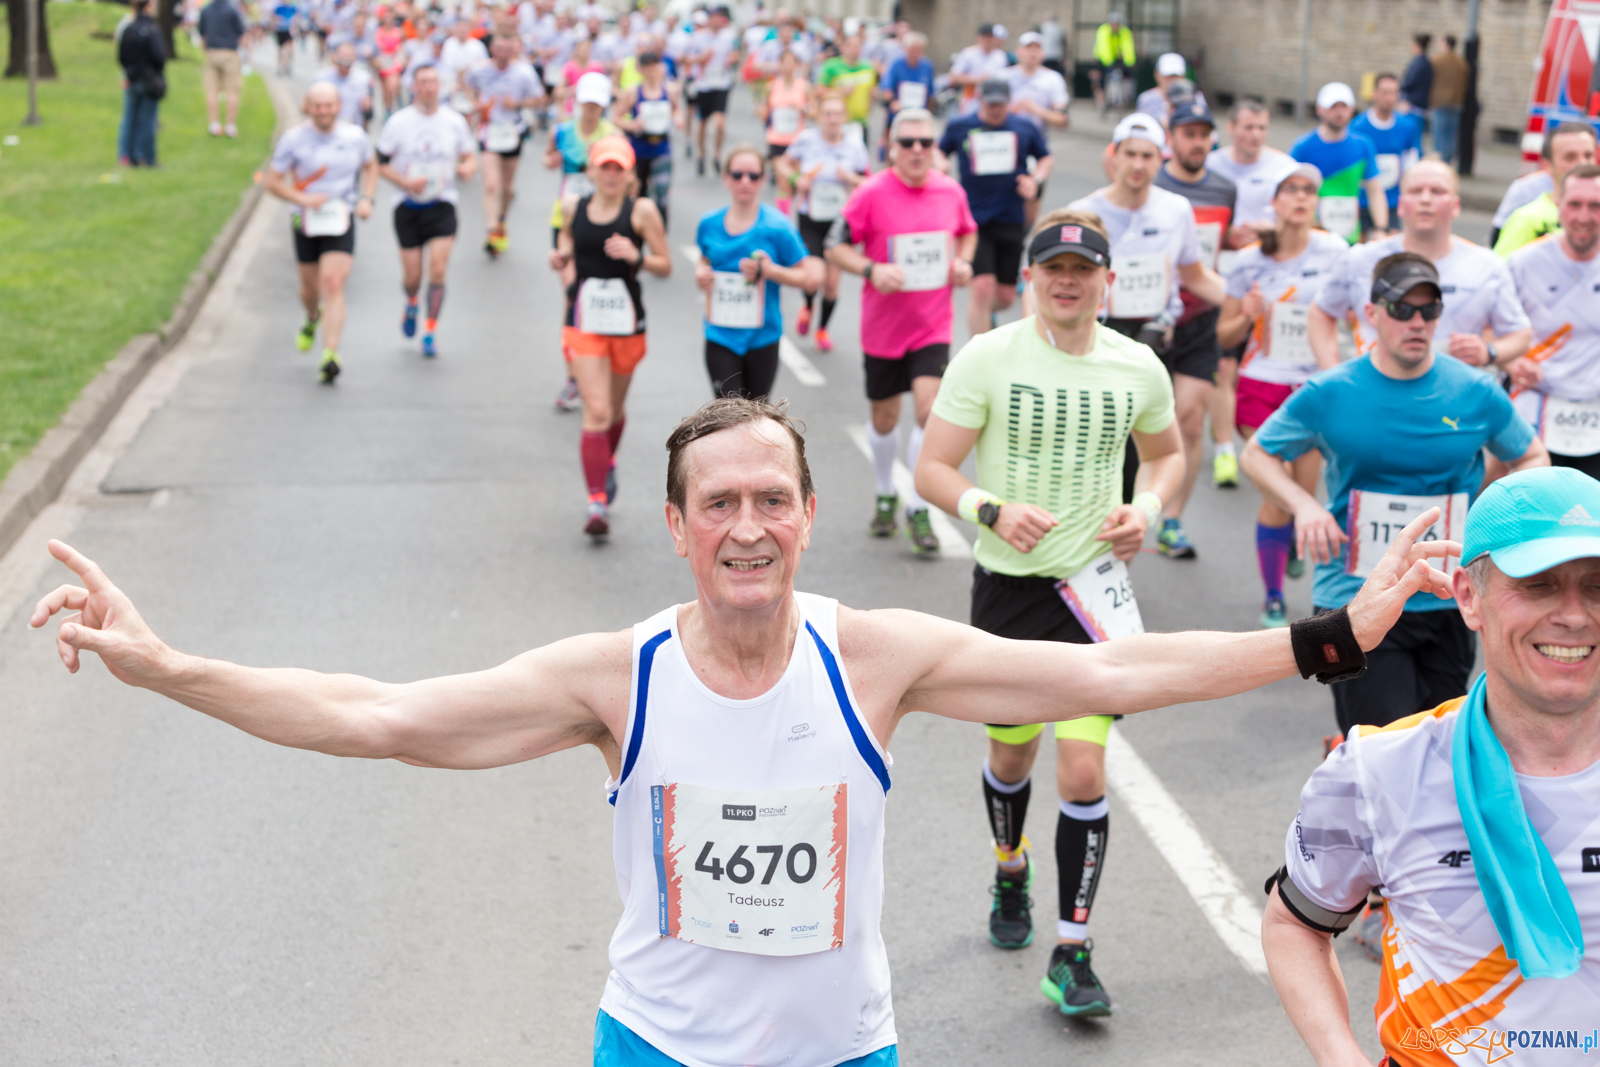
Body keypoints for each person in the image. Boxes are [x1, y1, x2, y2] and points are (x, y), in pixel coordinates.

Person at [31, 384, 1453, 1067]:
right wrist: (167, 666)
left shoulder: (874, 656)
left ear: (810, 513)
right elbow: (380, 716)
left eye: (773, 497)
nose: (749, 524)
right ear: (678, 525)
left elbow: (1116, 670)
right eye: (720, 502)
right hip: (655, 1047)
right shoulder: (618, 677)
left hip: (846, 1052)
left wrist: (1327, 638)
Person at [915, 210, 1184, 1018]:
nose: (1068, 282)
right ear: (1030, 276)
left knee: (1083, 769)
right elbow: (933, 468)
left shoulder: (1137, 365)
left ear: (1107, 280)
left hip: (1093, 594)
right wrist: (990, 509)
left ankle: (1073, 950)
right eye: (1053, 268)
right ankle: (1010, 864)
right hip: (1010, 592)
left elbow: (1168, 455)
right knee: (1011, 758)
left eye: (1082, 269)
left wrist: (1147, 510)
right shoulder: (988, 357)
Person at [1264, 464, 1600, 1067]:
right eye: (1539, 585)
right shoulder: (1378, 768)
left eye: (1597, 586)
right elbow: (1295, 925)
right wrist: (1341, 1058)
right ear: (1469, 597)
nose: (1574, 615)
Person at [1242, 253, 1548, 739]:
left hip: (1447, 594)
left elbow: (1531, 456)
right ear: (1371, 314)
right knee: (1386, 743)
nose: (1417, 321)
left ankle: (1345, 757)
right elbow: (1257, 454)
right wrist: (1304, 506)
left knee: (1441, 746)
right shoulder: (1329, 391)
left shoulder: (1475, 390)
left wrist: (1491, 516)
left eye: (1429, 309)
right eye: (1402, 309)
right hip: (1355, 596)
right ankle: (1352, 756)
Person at [825, 107, 977, 551]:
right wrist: (871, 269)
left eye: (925, 142)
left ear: (934, 147)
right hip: (883, 328)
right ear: (891, 147)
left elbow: (967, 232)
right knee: (885, 418)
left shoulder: (950, 191)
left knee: (929, 411)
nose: (916, 150)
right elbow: (834, 246)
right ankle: (884, 490)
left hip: (933, 325)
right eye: (907, 142)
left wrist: (963, 262)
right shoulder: (870, 193)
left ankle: (918, 505)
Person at [1068, 114, 1225, 508]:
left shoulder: (1176, 209)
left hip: (1159, 334)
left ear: (1161, 159)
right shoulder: (1084, 212)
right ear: (1114, 156)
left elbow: (1195, 274)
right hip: (1105, 333)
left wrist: (1246, 299)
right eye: (1130, 154)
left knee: (1160, 433)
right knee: (1105, 437)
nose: (1137, 164)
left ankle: (1151, 517)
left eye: (1147, 155)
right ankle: (1099, 515)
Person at [1216, 164, 1349, 627]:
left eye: (1309, 190)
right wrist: (1247, 314)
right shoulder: (1250, 259)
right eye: (1291, 189)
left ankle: (1291, 533)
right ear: (1274, 201)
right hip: (1261, 382)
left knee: (1301, 491)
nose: (1301, 197)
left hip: (1312, 387)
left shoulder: (1335, 251)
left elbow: (1356, 311)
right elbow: (1224, 333)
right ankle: (1273, 596)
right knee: (1279, 489)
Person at [548, 135, 670, 537]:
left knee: (614, 411)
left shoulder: (642, 211)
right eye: (605, 167)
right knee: (597, 410)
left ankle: (607, 459)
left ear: (630, 173)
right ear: (592, 171)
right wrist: (563, 262)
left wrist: (638, 257)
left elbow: (665, 264)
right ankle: (596, 501)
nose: (612, 175)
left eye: (619, 168)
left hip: (626, 323)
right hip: (583, 321)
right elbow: (566, 238)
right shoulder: (573, 206)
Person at [1309, 161, 1533, 376]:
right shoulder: (1360, 259)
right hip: (1376, 394)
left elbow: (1521, 333)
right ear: (1401, 205)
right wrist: (1333, 374)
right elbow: (1320, 311)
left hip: (1452, 396)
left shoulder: (1488, 266)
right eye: (1416, 191)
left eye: (1437, 191)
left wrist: (1489, 352)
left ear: (1455, 206)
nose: (1425, 199)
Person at [1149, 102, 1236, 559]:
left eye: (1204, 133)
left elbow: (1222, 246)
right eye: (1189, 133)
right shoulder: (1153, 185)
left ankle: (1172, 519)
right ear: (1172, 138)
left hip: (1201, 318)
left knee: (1188, 417)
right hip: (1151, 319)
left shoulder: (1224, 189)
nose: (1197, 141)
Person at [263, 82, 378, 384]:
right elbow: (272, 182)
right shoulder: (293, 139)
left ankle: (330, 354)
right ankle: (312, 316)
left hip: (340, 217)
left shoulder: (354, 136)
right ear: (308, 107)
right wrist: (302, 199)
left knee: (333, 282)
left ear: (338, 107)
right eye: (318, 106)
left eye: (329, 105)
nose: (324, 111)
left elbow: (371, 166)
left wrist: (366, 199)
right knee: (309, 289)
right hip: (306, 219)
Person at [1206, 99, 1292, 489]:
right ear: (1231, 129)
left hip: (1268, 282)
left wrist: (1264, 232)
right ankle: (1225, 451)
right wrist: (1228, 236)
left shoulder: (1282, 168)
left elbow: (1299, 219)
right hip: (1220, 276)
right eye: (1248, 128)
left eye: (1261, 128)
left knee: (1255, 365)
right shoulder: (1213, 166)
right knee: (1224, 365)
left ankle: (1267, 447)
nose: (1255, 135)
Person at [693, 144, 818, 399]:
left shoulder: (778, 227)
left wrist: (770, 271)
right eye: (738, 175)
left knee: (757, 414)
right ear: (726, 177)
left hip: (763, 337)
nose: (745, 182)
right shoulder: (709, 223)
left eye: (753, 176)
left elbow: (807, 277)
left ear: (763, 179)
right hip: (720, 334)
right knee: (728, 411)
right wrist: (701, 273)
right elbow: (704, 260)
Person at [375, 63, 478, 359]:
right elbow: (379, 164)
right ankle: (411, 302)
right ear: (414, 87)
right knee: (413, 277)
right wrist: (405, 182)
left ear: (439, 86)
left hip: (442, 204)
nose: (429, 87)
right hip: (407, 206)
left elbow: (470, 157)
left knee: (438, 269)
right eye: (423, 82)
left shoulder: (454, 121)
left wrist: (467, 168)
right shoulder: (399, 122)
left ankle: (430, 330)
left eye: (433, 82)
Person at [1506, 165, 1600, 478]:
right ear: (1558, 205)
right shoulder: (1524, 262)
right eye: (1575, 204)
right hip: (1537, 409)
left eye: (1595, 206)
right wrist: (1512, 362)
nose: (1584, 216)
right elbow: (1489, 328)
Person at [940, 77, 1051, 339]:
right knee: (981, 288)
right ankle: (982, 351)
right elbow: (939, 151)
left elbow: (1045, 157)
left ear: (1009, 102)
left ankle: (985, 314)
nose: (996, 110)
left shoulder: (1024, 127)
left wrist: (1035, 180)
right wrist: (940, 166)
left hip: (1011, 217)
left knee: (1005, 296)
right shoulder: (961, 126)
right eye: (991, 104)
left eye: (1001, 104)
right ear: (980, 101)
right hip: (974, 221)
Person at [784, 92, 869, 354]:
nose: (833, 119)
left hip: (840, 220)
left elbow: (869, 182)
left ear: (845, 117)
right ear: (819, 116)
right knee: (814, 278)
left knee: (831, 283)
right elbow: (783, 164)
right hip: (810, 217)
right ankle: (808, 305)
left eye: (838, 114)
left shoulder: (854, 145)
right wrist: (797, 179)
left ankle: (822, 330)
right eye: (828, 114)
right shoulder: (806, 140)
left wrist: (850, 178)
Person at [469, 34, 547, 258]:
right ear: (492, 49)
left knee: (506, 188)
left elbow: (540, 99)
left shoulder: (524, 72)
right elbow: (463, 82)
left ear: (513, 50)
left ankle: (501, 218)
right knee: (491, 185)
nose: (503, 53)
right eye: (499, 48)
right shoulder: (480, 69)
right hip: (489, 130)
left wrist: (518, 103)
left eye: (507, 49)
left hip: (513, 131)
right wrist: (476, 102)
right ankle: (492, 231)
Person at [1290, 82, 1387, 245]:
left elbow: (1375, 190)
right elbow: (1289, 192)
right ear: (1319, 109)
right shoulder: (1302, 147)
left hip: (1350, 235)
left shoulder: (1363, 145)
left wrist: (1381, 228)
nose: (1339, 112)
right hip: (1313, 235)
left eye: (1344, 106)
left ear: (1351, 109)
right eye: (1333, 106)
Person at [1495, 122, 1598, 257]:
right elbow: (1501, 266)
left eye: (1588, 155)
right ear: (1548, 166)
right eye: (1570, 157)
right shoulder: (1527, 218)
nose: (1582, 163)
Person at [1003, 31, 1069, 229]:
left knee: (1031, 200)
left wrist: (1035, 109)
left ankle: (1023, 234)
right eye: (1028, 47)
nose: (1032, 52)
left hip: (1035, 149)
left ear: (1043, 54)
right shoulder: (1003, 76)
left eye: (1037, 48)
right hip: (1005, 146)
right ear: (1018, 51)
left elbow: (1062, 120)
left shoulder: (1052, 79)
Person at [1350, 72, 1424, 237]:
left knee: (1390, 245)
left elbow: (1411, 163)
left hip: (1392, 200)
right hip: (1363, 198)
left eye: (1394, 93)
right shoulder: (1358, 127)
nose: (1390, 98)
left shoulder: (1408, 126)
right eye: (1385, 92)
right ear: (1374, 93)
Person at [615, 50, 680, 228]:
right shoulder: (633, 92)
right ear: (640, 69)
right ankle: (638, 230)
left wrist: (676, 119)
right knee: (638, 194)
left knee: (662, 194)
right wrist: (633, 125)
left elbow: (676, 111)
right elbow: (617, 118)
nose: (651, 70)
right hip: (639, 148)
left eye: (654, 66)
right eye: (647, 66)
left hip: (661, 147)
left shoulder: (669, 90)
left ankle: (661, 231)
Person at [686, 5, 740, 177]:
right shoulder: (699, 37)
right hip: (704, 84)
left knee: (719, 123)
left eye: (719, 17)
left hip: (721, 84)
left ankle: (716, 155)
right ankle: (701, 155)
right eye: (713, 17)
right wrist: (702, 58)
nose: (716, 20)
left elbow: (736, 54)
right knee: (702, 122)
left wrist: (732, 59)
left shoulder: (729, 36)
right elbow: (688, 59)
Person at [117, 0, 166, 169]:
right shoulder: (151, 30)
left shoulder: (128, 29)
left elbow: (122, 57)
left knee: (129, 118)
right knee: (148, 120)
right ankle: (145, 156)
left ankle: (126, 155)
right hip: (149, 81)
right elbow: (159, 57)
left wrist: (130, 72)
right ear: (147, 6)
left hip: (132, 79)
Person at [759, 47, 809, 194]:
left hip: (796, 139)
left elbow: (815, 112)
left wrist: (801, 109)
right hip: (777, 138)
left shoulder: (804, 86)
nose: (788, 66)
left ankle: (794, 205)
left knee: (796, 183)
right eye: (785, 62)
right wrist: (762, 112)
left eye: (791, 62)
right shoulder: (771, 86)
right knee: (782, 183)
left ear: (796, 65)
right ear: (779, 65)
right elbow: (766, 111)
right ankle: (783, 208)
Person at [199, 0, 247, 138]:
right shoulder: (232, 10)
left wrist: (206, 51)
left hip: (212, 52)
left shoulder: (206, 10)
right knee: (233, 91)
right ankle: (230, 126)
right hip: (230, 53)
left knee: (212, 90)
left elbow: (203, 34)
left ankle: (214, 124)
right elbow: (241, 33)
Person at [818, 34, 877, 143]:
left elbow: (872, 91)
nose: (854, 49)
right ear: (843, 47)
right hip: (838, 123)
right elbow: (818, 91)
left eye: (857, 45)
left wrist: (869, 107)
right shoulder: (831, 66)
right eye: (851, 45)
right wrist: (840, 91)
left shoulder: (868, 67)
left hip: (861, 123)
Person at [949, 24, 1010, 115]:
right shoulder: (968, 53)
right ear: (979, 37)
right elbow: (953, 76)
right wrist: (976, 79)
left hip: (993, 99)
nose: (988, 39)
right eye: (985, 36)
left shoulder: (1001, 56)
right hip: (971, 98)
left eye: (991, 36)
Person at [313, 43, 375, 130]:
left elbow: (368, 114)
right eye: (342, 60)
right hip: (326, 128)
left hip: (353, 128)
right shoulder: (321, 78)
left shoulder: (364, 78)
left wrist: (367, 108)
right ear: (334, 57)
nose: (345, 64)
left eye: (348, 61)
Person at [879, 31, 934, 124]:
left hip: (919, 116)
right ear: (905, 49)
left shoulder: (927, 66)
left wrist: (929, 114)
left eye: (920, 49)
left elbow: (931, 94)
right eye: (914, 49)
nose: (917, 52)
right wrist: (891, 103)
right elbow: (887, 90)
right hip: (899, 116)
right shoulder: (896, 64)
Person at [1429, 35, 1469, 165]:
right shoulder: (1461, 62)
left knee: (1439, 135)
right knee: (1451, 136)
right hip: (1456, 103)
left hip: (1440, 102)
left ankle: (1439, 162)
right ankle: (1448, 161)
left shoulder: (1437, 60)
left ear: (1445, 44)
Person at [1134, 53, 1204, 126]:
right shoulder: (1146, 99)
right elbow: (1140, 127)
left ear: (1184, 75)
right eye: (1167, 76)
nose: (1172, 80)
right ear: (1157, 74)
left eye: (1176, 75)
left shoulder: (1195, 97)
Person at [1090, 11, 1134, 114]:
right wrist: (1109, 63)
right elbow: (1104, 47)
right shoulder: (1103, 30)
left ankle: (1122, 100)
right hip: (1103, 58)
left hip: (1117, 58)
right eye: (1113, 24)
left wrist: (1129, 62)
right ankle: (1101, 100)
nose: (1115, 26)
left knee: (1125, 76)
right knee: (1100, 79)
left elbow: (1128, 47)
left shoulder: (1124, 32)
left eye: (1117, 24)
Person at [1399, 33, 1432, 114]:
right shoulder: (1426, 62)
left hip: (1412, 104)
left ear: (1416, 45)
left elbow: (1409, 82)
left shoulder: (1418, 62)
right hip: (1421, 102)